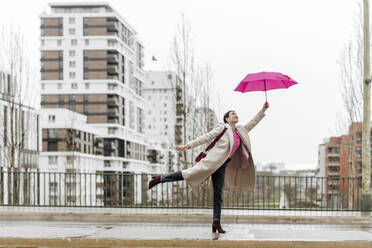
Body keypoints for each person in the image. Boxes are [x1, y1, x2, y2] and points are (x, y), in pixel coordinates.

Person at [148, 102, 269, 233]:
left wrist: (263, 110)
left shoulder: (240, 131)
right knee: (187, 174)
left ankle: (216, 223)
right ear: (227, 119)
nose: (235, 115)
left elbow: (253, 122)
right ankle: (159, 179)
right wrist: (188, 145)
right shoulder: (222, 127)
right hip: (210, 162)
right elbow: (206, 137)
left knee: (218, 195)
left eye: (236, 113)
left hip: (222, 167)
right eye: (232, 113)